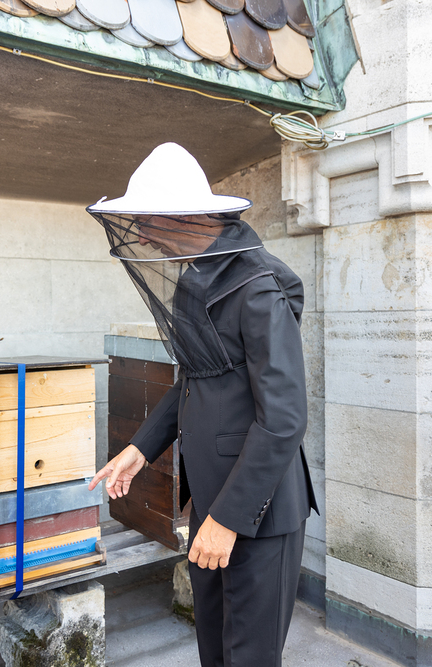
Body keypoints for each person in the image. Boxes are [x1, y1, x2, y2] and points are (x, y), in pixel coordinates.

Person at [87, 143, 318, 667]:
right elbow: (197, 377)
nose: (140, 236)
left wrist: (228, 520)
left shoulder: (258, 287)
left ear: (185, 216)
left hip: (256, 512)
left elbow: (284, 418)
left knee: (249, 657)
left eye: (146, 221)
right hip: (212, 503)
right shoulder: (196, 280)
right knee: (213, 650)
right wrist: (140, 449)